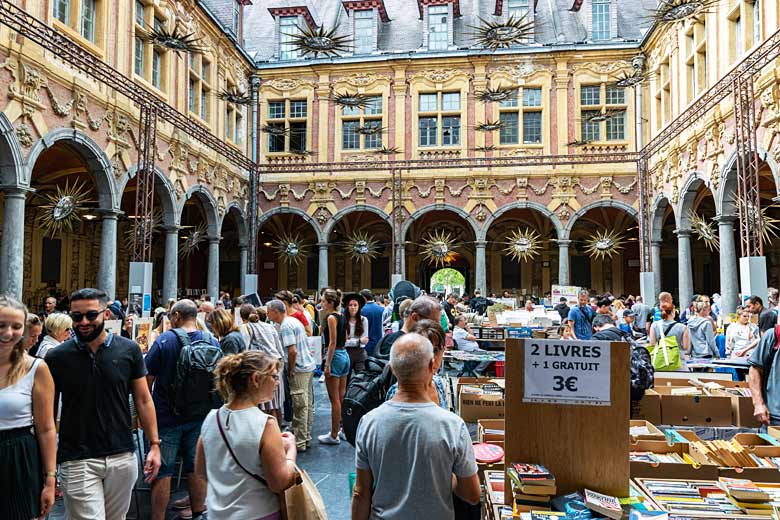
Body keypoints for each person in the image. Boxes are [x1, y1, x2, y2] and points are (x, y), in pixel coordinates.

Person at [46, 288, 161, 518]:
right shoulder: (57, 357)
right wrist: (48, 469)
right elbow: (47, 413)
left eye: (91, 315)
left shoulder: (128, 350)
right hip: (77, 457)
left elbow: (143, 399)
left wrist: (155, 444)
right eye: (76, 317)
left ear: (106, 314)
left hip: (122, 454)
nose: (83, 322)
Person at [351, 333, 480, 520]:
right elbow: (472, 495)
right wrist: (446, 476)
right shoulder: (452, 426)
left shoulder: (369, 422)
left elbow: (360, 493)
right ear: (431, 366)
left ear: (392, 369)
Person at [195, 351, 297, 520]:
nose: (277, 382)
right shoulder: (266, 424)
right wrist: (291, 451)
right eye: (273, 376)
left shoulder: (211, 419)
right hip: (259, 513)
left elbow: (201, 471)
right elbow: (279, 482)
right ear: (256, 379)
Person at [145, 299, 221, 520]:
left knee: (163, 470)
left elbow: (147, 379)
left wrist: (147, 413)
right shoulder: (212, 341)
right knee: (195, 467)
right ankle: (198, 513)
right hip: (200, 415)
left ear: (176, 315)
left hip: (167, 417)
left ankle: (158, 517)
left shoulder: (164, 340)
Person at [0, 295, 57, 520]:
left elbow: (46, 429)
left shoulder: (36, 368)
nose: (8, 332)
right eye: (1, 325)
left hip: (18, 457)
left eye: (15, 326)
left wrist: (50, 479)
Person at [267, 299, 316, 452]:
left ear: (275, 312)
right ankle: (306, 437)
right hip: (308, 366)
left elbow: (292, 351)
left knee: (299, 405)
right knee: (306, 404)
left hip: (299, 368)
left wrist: (291, 369)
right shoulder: (293, 321)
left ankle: (300, 442)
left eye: (268, 312)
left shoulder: (286, 326)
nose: (267, 315)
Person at [386, 320, 448, 408]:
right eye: (423, 352)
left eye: (435, 350)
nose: (431, 358)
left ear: (443, 350)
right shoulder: (398, 393)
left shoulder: (438, 384)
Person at [240, 304, 286, 423]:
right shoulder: (269, 327)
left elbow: (245, 350)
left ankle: (265, 437)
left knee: (264, 406)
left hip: (263, 368)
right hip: (276, 365)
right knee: (276, 406)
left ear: (241, 317)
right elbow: (279, 348)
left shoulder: (246, 327)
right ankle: (278, 435)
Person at [319, 289, 349, 445]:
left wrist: (327, 363)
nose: (321, 303)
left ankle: (333, 434)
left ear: (330, 302)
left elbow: (332, 342)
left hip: (336, 356)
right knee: (342, 397)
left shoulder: (331, 317)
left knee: (334, 399)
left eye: (323, 301)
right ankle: (344, 430)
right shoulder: (342, 315)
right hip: (345, 355)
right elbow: (346, 337)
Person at [376, 296, 442, 357]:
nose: (438, 326)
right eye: (434, 321)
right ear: (415, 317)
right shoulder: (408, 346)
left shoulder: (387, 340)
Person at [344, 293, 369, 374]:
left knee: (361, 378)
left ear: (359, 307)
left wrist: (350, 340)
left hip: (360, 353)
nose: (353, 307)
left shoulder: (363, 320)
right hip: (346, 353)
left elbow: (365, 340)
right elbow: (343, 342)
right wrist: (358, 341)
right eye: (350, 305)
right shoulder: (343, 320)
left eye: (355, 305)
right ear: (347, 307)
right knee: (345, 379)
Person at [360, 289, 384, 357]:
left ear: (363, 298)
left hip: (366, 345)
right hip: (380, 344)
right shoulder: (382, 309)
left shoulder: (361, 310)